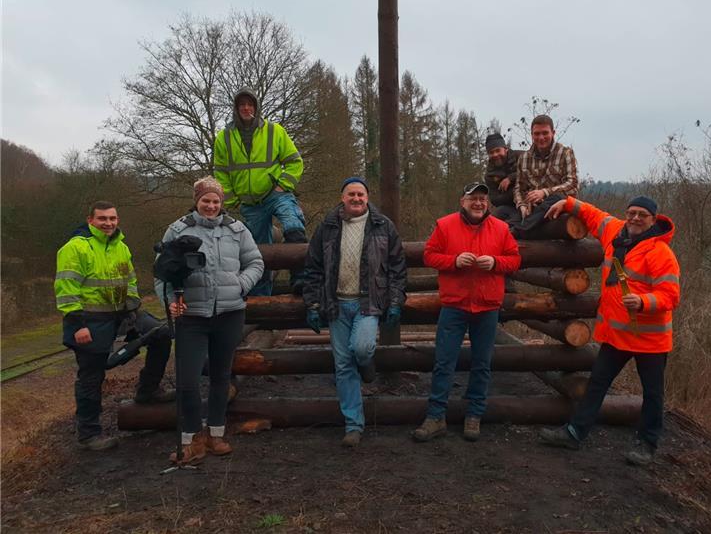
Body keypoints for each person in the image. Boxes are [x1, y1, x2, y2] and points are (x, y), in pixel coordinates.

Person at [537, 195, 680, 466]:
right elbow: (592, 214)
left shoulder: (660, 253)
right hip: (616, 335)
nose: (635, 218)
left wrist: (643, 301)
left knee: (652, 393)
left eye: (642, 215)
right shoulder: (615, 232)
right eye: (632, 213)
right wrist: (566, 203)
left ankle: (647, 443)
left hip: (650, 339)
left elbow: (670, 296)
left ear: (652, 220)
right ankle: (575, 432)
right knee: (597, 384)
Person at [155, 176, 264, 464]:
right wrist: (170, 301)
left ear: (222, 202)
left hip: (229, 313)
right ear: (197, 200)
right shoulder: (178, 230)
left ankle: (216, 434)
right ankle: (191, 438)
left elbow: (256, 262)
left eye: (216, 201)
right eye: (206, 200)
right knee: (187, 380)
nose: (211, 206)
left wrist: (241, 284)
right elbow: (161, 271)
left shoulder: (237, 230)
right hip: (192, 316)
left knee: (220, 377)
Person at [55, 201, 173, 450]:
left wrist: (132, 311)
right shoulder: (76, 248)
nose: (108, 223)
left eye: (112, 218)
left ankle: (148, 390)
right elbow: (66, 290)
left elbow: (129, 280)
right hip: (90, 319)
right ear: (91, 220)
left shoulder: (122, 246)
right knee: (92, 374)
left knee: (161, 333)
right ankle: (88, 433)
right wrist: (78, 325)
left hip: (122, 313)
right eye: (102, 219)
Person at [413, 183, 521, 443]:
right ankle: (436, 416)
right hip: (455, 305)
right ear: (463, 201)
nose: (479, 203)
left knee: (482, 364)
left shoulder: (501, 228)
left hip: (487, 306)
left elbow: (515, 260)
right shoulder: (445, 225)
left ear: (488, 203)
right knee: (443, 362)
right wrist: (453, 261)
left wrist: (496, 263)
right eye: (473, 198)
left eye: (483, 199)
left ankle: (474, 415)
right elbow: (429, 255)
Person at [303, 177, 407, 447]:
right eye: (351, 194)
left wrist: (395, 301)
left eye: (361, 194)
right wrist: (312, 304)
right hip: (335, 304)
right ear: (342, 198)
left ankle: (368, 365)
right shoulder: (327, 226)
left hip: (369, 302)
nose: (356, 199)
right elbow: (313, 267)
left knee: (361, 348)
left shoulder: (383, 226)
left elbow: (397, 268)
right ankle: (353, 425)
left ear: (367, 197)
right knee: (343, 366)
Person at [213, 87, 307, 295]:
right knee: (257, 252)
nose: (246, 108)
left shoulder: (275, 131)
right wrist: (231, 199)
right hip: (250, 203)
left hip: (276, 194)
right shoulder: (224, 137)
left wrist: (284, 184)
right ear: (236, 109)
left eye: (250, 104)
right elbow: (220, 171)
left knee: (293, 225)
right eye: (242, 105)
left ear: (256, 107)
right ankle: (261, 298)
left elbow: (294, 161)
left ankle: (301, 279)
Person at [512, 114, 578, 238]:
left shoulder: (565, 153)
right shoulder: (524, 158)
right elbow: (518, 188)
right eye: (536, 134)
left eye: (545, 133)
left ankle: (520, 230)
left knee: (556, 198)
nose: (541, 137)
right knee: (504, 214)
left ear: (553, 133)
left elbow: (573, 186)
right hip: (531, 210)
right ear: (532, 135)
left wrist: (545, 192)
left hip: (557, 207)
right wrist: (522, 205)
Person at [483, 132, 521, 224]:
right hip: (510, 206)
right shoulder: (489, 174)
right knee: (494, 218)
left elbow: (532, 172)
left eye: (498, 150)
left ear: (505, 149)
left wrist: (510, 178)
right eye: (491, 152)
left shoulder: (521, 156)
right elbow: (495, 199)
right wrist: (514, 193)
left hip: (531, 200)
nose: (495, 154)